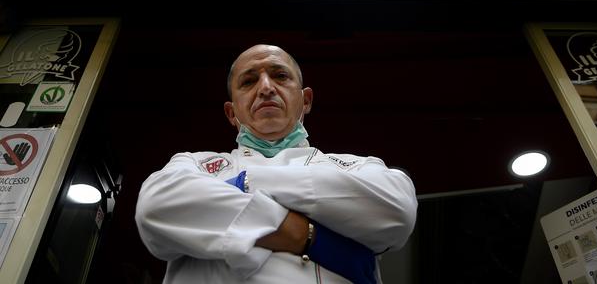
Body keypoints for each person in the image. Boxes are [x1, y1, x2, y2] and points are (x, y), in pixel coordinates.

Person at [135, 44, 417, 283]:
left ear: (305, 100)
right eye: (248, 82)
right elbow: (155, 208)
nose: (266, 88)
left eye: (280, 76)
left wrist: (240, 185)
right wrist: (307, 238)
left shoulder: (357, 166)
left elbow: (397, 212)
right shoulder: (194, 164)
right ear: (231, 113)